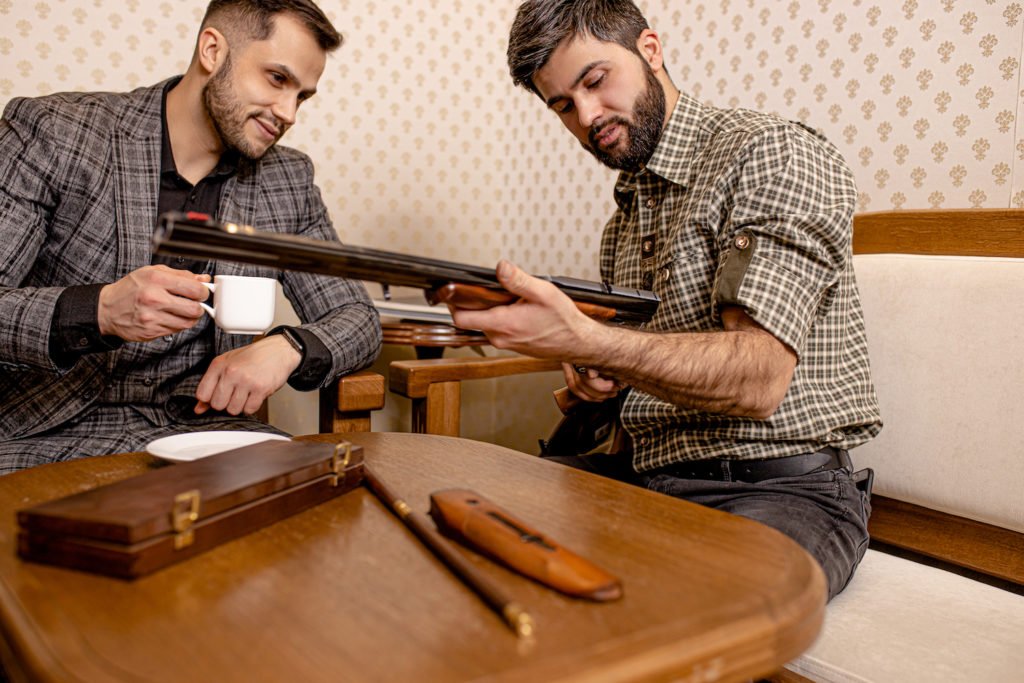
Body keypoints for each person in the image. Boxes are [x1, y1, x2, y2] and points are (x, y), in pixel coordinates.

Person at [451, 0, 882, 600]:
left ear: (649, 49)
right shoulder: (625, 217)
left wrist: (590, 339)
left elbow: (759, 378)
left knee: (678, 609)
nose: (587, 115)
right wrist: (595, 380)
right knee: (454, 524)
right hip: (645, 477)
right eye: (562, 105)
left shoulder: (771, 153)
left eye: (595, 80)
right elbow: (639, 372)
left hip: (778, 490)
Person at [0, 0, 381, 473]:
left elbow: (358, 318)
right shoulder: (57, 132)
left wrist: (289, 347)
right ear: (212, 50)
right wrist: (97, 310)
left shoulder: (288, 179)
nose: (289, 113)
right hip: (46, 432)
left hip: (209, 436)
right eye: (277, 79)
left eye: (302, 96)